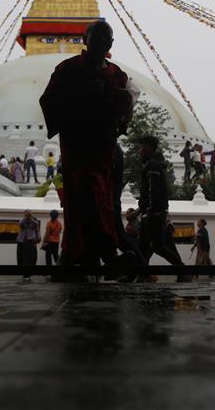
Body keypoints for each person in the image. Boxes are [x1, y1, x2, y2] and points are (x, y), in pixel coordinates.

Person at [39, 20, 134, 268]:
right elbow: (50, 101)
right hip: (77, 144)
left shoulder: (116, 74)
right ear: (85, 40)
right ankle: (82, 251)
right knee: (83, 194)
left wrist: (121, 107)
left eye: (106, 39)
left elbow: (123, 112)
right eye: (96, 38)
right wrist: (84, 96)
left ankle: (98, 250)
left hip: (104, 146)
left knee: (103, 198)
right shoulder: (68, 69)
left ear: (110, 43)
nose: (101, 43)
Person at [135, 134, 188, 281]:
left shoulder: (152, 166)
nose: (140, 150)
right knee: (143, 248)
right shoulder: (152, 165)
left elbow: (153, 190)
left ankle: (183, 270)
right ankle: (137, 275)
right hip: (153, 213)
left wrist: (150, 210)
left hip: (154, 214)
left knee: (158, 247)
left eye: (142, 147)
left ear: (149, 148)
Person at [16, 210, 40, 281]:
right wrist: (26, 218)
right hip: (22, 242)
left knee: (30, 258)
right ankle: (25, 274)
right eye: (26, 215)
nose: (28, 217)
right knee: (22, 258)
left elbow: (37, 230)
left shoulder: (34, 222)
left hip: (30, 242)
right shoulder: (23, 221)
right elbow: (20, 224)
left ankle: (28, 274)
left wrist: (38, 239)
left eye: (29, 215)